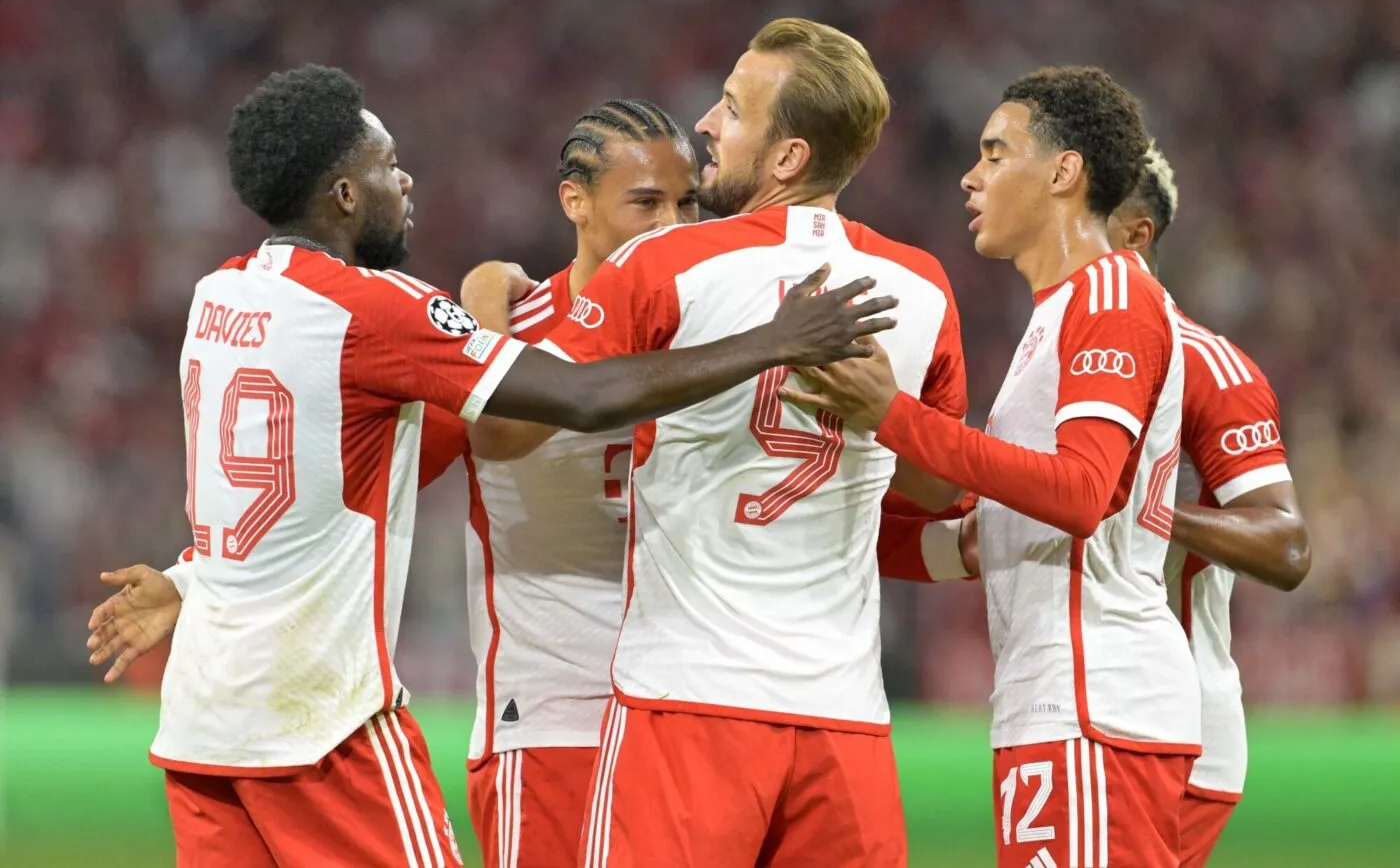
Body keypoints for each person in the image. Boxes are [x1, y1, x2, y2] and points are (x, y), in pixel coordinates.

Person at [84, 64, 894, 868]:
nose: (406, 181)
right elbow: (573, 397)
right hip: (327, 724)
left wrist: (191, 577)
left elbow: (295, 480)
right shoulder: (378, 312)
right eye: (388, 166)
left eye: (686, 203)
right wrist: (776, 340)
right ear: (345, 195)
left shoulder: (219, 296)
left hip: (205, 725)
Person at [466, 17, 967, 868]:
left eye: (732, 110)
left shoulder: (666, 264)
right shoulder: (921, 285)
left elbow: (506, 426)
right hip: (844, 716)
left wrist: (482, 298)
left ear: (787, 157)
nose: (706, 123)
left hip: (688, 702)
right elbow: (939, 488)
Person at [787, 66, 1200, 867]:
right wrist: (822, 526)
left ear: (1063, 172)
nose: (970, 177)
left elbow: (1080, 494)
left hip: (1095, 702)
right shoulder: (1059, 313)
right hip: (1060, 705)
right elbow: (993, 535)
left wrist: (893, 415)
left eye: (995, 153)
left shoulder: (1112, 295)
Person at [459, 99, 701, 868]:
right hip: (553, 715)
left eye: (688, 203)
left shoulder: (718, 333)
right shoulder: (512, 332)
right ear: (576, 202)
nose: (673, 227)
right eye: (646, 203)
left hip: (690, 712)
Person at [1106, 145, 1312, 866]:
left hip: (1172, 731)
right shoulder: (1054, 355)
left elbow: (1287, 545)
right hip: (1080, 708)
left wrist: (1145, 506)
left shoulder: (1203, 364)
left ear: (1134, 234)